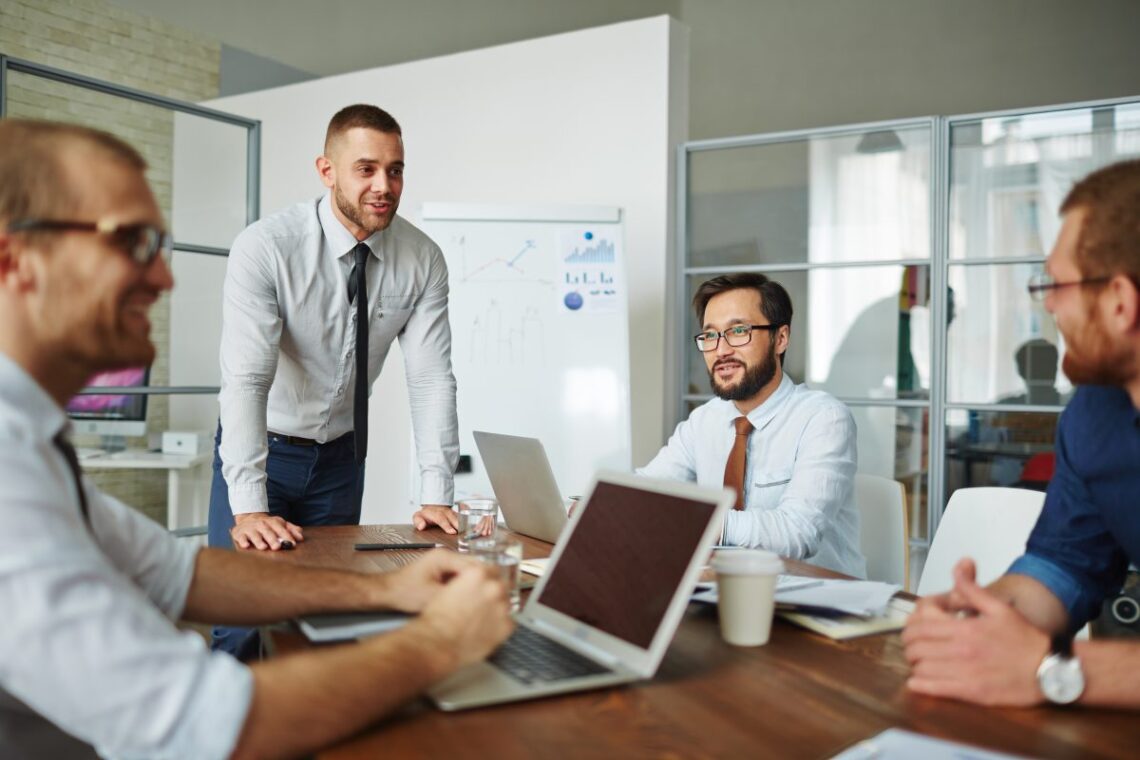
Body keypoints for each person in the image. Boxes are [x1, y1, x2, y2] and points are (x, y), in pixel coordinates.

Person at [0, 118, 513, 758]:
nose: (165, 277)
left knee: (324, 633)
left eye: (156, 243)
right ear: (13, 261)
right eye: (132, 241)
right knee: (238, 645)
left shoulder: (30, 443)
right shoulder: (9, 468)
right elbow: (196, 721)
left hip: (340, 451)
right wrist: (441, 642)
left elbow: (176, 571)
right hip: (265, 448)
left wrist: (387, 589)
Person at [210, 104, 461, 656]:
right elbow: (247, 380)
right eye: (365, 169)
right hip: (262, 454)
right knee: (242, 622)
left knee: (328, 624)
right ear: (326, 170)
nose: (384, 186)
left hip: (341, 463)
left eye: (395, 170)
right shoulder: (267, 247)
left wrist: (436, 493)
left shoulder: (422, 258)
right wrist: (250, 506)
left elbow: (431, 380)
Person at [903, 159, 1140, 709]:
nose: (1048, 303)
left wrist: (1053, 671)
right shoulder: (1093, 414)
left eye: (1055, 284)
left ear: (1121, 302)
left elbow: (1045, 666)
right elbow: (1065, 563)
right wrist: (981, 617)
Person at [638, 273, 865, 578]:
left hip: (817, 604)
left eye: (738, 331)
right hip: (721, 589)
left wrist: (697, 519)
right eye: (710, 336)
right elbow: (643, 491)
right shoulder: (705, 420)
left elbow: (798, 533)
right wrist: (589, 506)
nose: (721, 350)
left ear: (780, 339)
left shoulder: (823, 418)